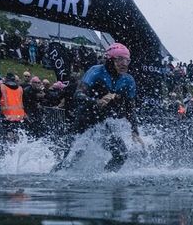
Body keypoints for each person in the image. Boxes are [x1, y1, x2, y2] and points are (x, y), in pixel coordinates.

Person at [50, 42, 144, 172]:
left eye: (127, 60)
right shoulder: (96, 71)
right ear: (109, 60)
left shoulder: (128, 80)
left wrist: (135, 131)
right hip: (85, 120)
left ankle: (106, 178)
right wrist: (96, 102)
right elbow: (78, 94)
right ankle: (53, 177)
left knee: (121, 154)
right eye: (120, 59)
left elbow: (130, 108)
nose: (124, 63)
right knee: (71, 159)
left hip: (104, 123)